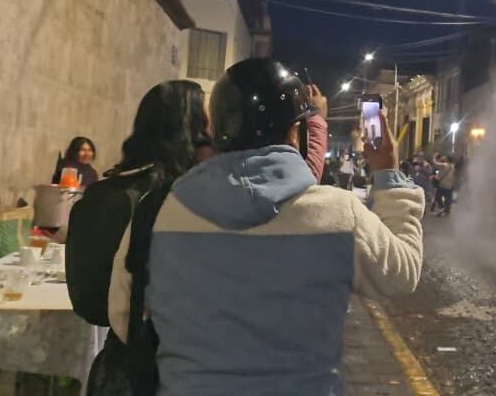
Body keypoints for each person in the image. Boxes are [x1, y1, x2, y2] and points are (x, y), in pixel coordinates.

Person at [108, 58, 423, 396]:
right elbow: (402, 272)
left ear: (215, 131)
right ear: (295, 131)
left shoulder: (158, 212)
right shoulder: (339, 214)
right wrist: (388, 174)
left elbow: (125, 316)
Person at [67, 81, 211, 396]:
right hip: (164, 372)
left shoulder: (108, 188)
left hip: (117, 367)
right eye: (207, 128)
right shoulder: (178, 200)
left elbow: (89, 303)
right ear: (191, 131)